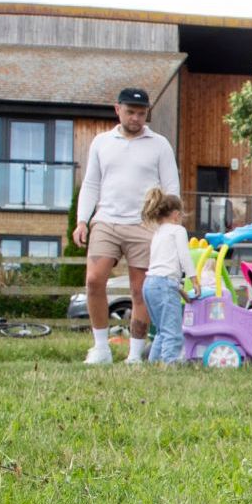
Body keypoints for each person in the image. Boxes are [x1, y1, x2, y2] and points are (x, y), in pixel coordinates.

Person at [74, 87, 179, 365]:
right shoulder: (101, 142)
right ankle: (101, 349)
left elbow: (171, 189)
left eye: (141, 113)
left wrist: (168, 226)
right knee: (94, 280)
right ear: (117, 110)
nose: (135, 118)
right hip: (106, 220)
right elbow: (91, 183)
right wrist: (81, 220)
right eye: (130, 112)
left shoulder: (160, 145)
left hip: (144, 225)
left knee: (140, 290)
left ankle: (134, 353)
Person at [139, 189, 192, 365]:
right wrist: (195, 279)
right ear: (176, 215)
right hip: (164, 284)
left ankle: (153, 365)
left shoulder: (158, 233)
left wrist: (179, 289)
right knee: (172, 332)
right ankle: (170, 365)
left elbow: (163, 265)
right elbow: (184, 258)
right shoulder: (178, 230)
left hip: (149, 285)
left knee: (162, 331)